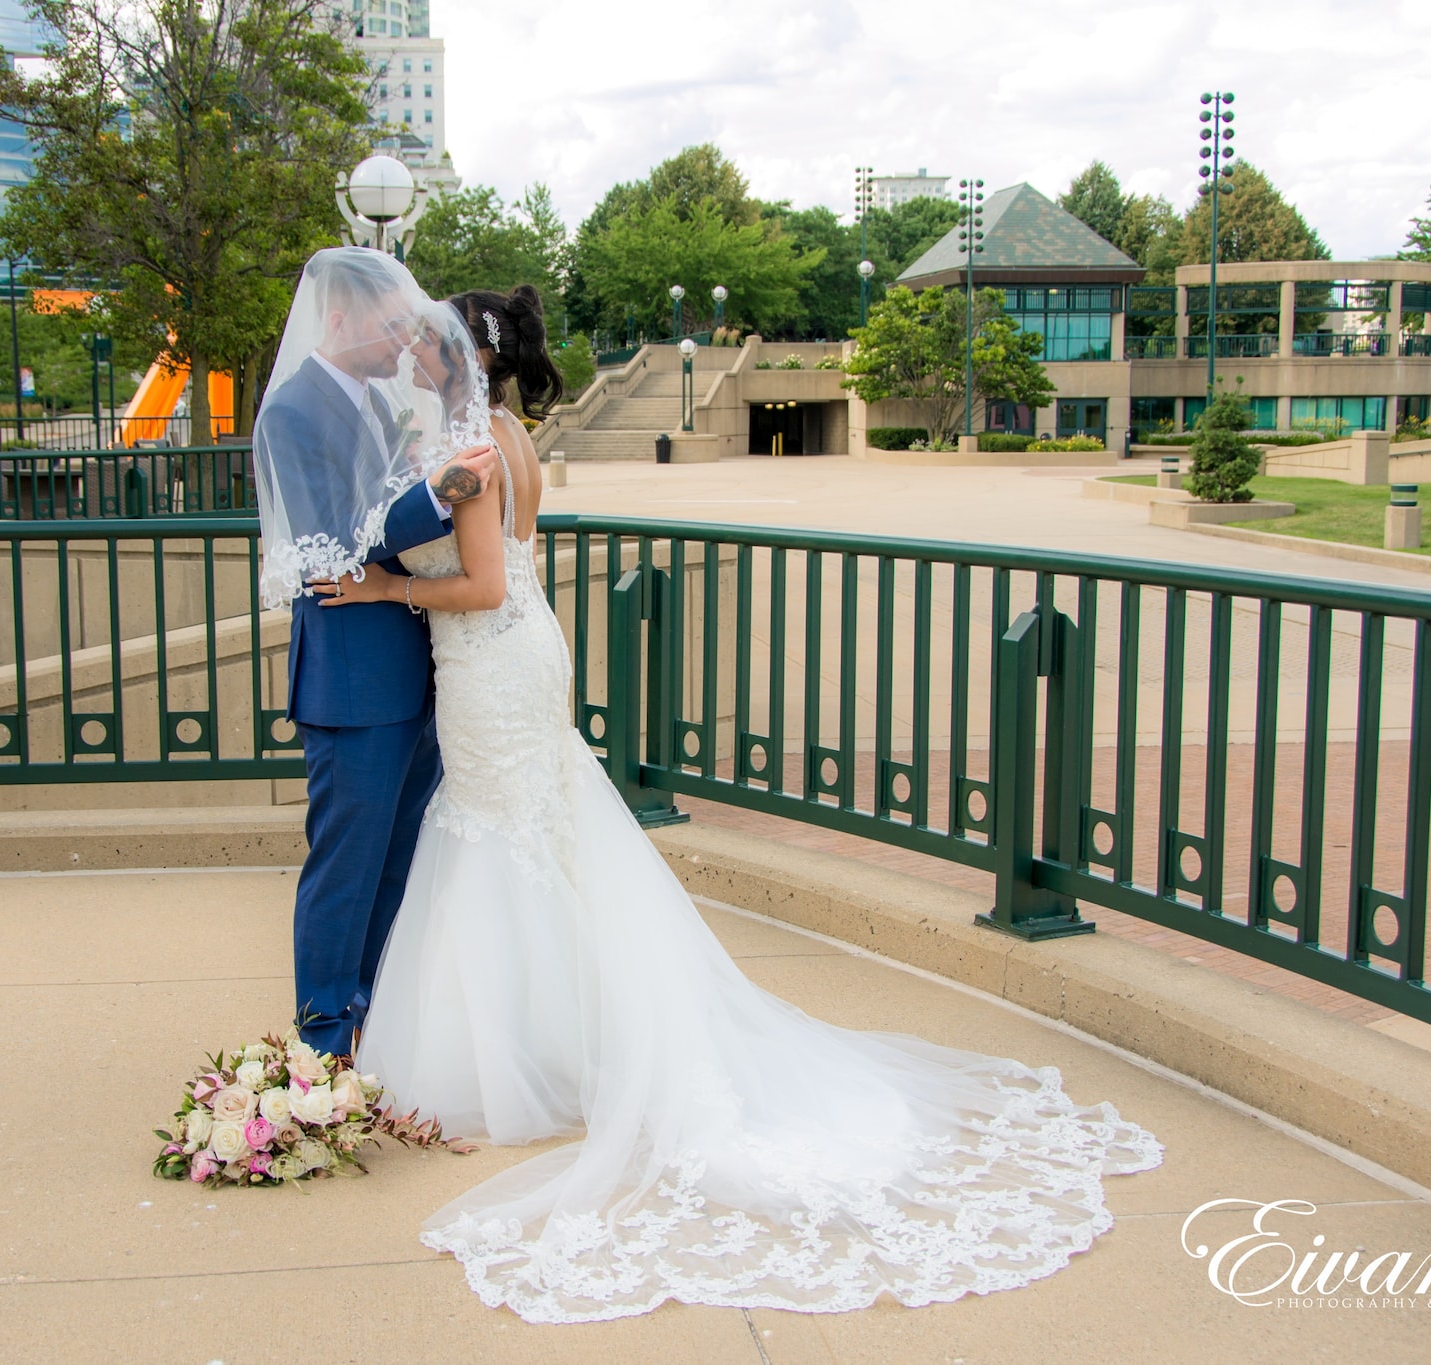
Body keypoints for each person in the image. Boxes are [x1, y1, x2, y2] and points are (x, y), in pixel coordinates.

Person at [314, 284, 1165, 1324]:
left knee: (499, 835)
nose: (412, 348)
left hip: (490, 656)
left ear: (461, 356)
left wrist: (381, 590)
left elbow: (484, 583)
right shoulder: (501, 433)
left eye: (429, 340)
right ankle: (561, 1039)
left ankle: (538, 1055)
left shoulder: (476, 450)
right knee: (527, 836)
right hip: (514, 661)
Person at [249, 248, 497, 1063]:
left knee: (396, 864)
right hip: (353, 680)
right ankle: (323, 1043)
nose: (402, 340)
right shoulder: (294, 409)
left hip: (416, 669)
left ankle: (377, 1025)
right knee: (346, 868)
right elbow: (332, 543)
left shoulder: (369, 404)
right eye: (390, 325)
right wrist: (445, 493)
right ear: (340, 318)